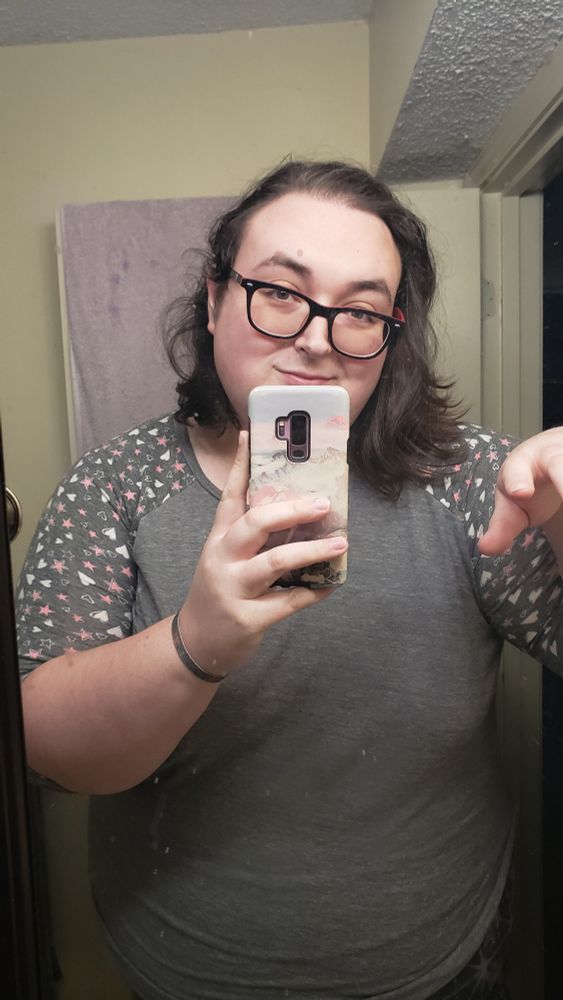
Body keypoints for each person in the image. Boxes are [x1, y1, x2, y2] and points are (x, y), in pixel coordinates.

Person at [16, 159, 563, 1000]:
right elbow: (48, 751)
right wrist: (192, 645)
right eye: (279, 292)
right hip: (186, 963)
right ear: (214, 299)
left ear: (390, 334)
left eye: (360, 310)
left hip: (443, 957)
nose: (316, 336)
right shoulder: (114, 486)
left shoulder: (470, 481)